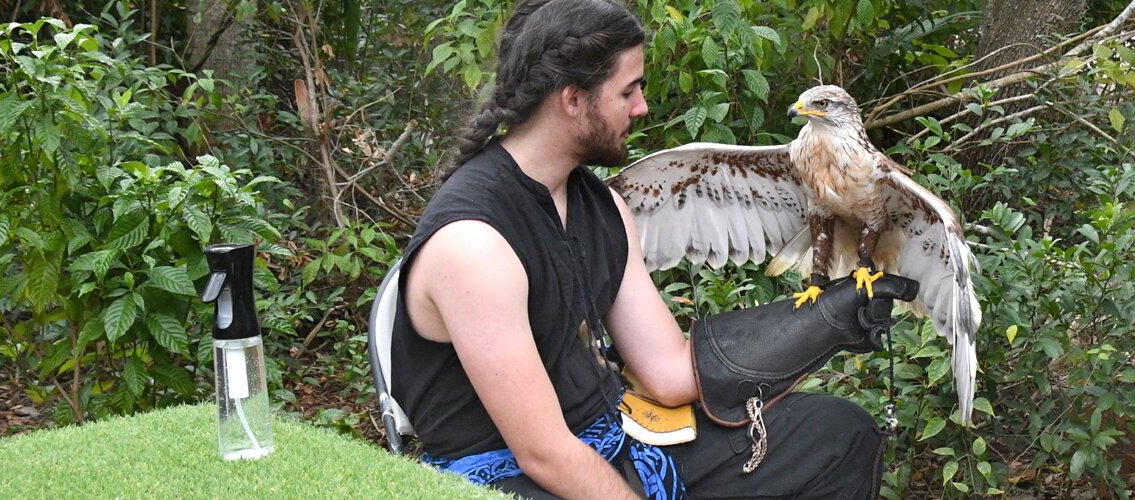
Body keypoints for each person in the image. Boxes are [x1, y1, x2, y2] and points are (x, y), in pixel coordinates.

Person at [389, 1, 914, 498]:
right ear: (572, 99)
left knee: (838, 434)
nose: (641, 107)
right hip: (503, 474)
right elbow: (543, 453)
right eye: (628, 92)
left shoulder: (600, 207)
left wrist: (825, 321)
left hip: (615, 437)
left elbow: (667, 374)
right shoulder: (474, 246)